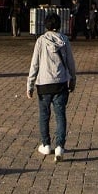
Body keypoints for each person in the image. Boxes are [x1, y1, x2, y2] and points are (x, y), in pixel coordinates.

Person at [26, 12, 76, 162]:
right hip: (60, 83)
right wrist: (73, 79)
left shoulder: (41, 41)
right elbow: (70, 63)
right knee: (60, 115)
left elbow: (34, 64)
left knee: (44, 115)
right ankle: (60, 146)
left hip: (44, 84)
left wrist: (30, 84)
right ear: (59, 25)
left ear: (46, 25)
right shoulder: (65, 40)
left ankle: (46, 144)